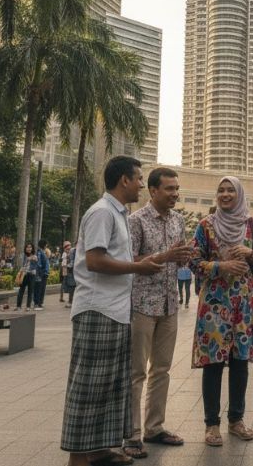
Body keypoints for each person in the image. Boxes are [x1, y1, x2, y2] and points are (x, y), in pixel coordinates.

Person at [60, 156, 162, 466]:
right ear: (124, 180)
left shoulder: (118, 214)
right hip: (98, 310)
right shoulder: (102, 212)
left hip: (116, 311)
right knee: (89, 386)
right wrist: (138, 267)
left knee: (110, 386)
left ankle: (99, 449)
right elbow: (94, 261)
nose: (142, 185)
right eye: (139, 178)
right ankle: (78, 458)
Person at [191, 176, 253, 447]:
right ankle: (211, 424)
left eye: (230, 190)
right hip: (214, 305)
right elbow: (193, 260)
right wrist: (219, 267)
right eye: (221, 190)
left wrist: (250, 255)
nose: (225, 194)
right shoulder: (205, 225)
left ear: (239, 195)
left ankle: (236, 420)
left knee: (240, 362)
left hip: (244, 305)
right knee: (212, 363)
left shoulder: (252, 225)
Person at [123, 167, 191, 458]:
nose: (175, 193)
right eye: (169, 189)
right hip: (142, 304)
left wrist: (185, 256)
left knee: (161, 369)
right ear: (152, 191)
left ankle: (154, 427)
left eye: (177, 188)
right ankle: (131, 435)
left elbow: (179, 257)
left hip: (169, 304)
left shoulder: (178, 220)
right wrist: (165, 256)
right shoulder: (135, 220)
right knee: (136, 371)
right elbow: (129, 259)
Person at [15, 243, 38, 312]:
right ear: (25, 248)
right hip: (24, 275)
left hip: (31, 275)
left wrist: (31, 259)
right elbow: (21, 265)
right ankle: (18, 306)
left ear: (32, 248)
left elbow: (35, 265)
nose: (29, 248)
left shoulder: (35, 256)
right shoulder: (23, 256)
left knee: (30, 291)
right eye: (27, 247)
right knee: (21, 290)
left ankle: (28, 306)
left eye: (30, 247)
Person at [33, 239, 50, 310]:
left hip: (43, 273)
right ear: (44, 245)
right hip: (41, 273)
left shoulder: (42, 252)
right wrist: (41, 272)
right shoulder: (40, 252)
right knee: (39, 288)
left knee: (42, 288)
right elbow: (39, 264)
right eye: (46, 245)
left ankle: (39, 303)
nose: (46, 246)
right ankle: (37, 303)